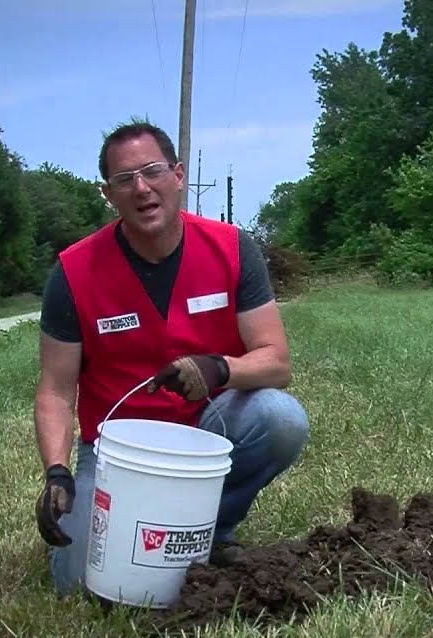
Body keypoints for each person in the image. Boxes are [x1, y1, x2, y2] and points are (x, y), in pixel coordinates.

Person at [31, 120, 309, 599]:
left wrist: (219, 368)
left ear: (178, 176)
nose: (141, 188)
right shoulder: (74, 272)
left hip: (206, 429)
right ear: (108, 195)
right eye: (124, 180)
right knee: (78, 585)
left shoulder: (232, 249)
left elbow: (276, 362)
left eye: (152, 171)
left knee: (281, 419)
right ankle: (146, 533)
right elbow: (56, 390)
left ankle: (210, 534)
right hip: (116, 450)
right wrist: (56, 471)